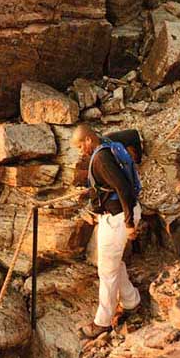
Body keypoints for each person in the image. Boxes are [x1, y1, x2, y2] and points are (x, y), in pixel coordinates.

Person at [71, 124, 144, 339]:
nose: (79, 151)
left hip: (118, 219)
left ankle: (102, 322)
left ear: (87, 141)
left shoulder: (101, 159)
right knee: (112, 264)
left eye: (79, 146)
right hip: (115, 217)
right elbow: (132, 134)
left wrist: (130, 224)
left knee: (107, 271)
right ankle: (131, 301)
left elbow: (123, 188)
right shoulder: (107, 142)